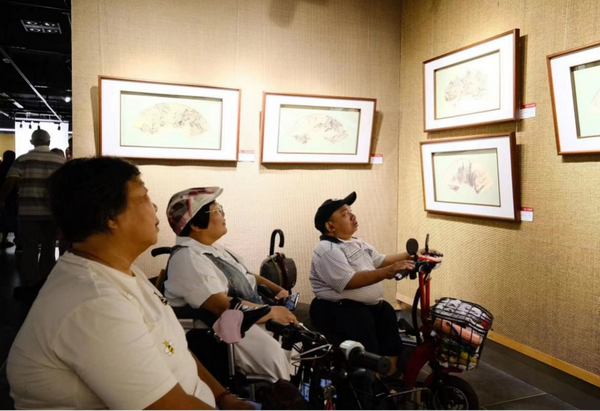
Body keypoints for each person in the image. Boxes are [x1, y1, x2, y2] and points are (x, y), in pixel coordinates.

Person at [6, 157, 252, 410]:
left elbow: (174, 349)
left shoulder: (123, 270)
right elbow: (168, 407)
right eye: (144, 196)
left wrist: (223, 397)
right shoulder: (95, 303)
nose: (154, 206)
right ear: (110, 216)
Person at [164, 187, 297, 380]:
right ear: (195, 225)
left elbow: (246, 274)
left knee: (299, 342)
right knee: (276, 354)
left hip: (248, 318)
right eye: (217, 210)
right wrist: (271, 312)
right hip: (221, 330)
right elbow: (221, 305)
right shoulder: (187, 258)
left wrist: (278, 290)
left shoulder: (215, 249)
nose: (223, 214)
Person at [309, 191, 418, 376]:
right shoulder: (327, 249)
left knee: (386, 311)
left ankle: (387, 375)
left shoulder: (356, 242)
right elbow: (349, 281)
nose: (353, 216)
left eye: (350, 211)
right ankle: (371, 381)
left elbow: (380, 260)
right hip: (333, 308)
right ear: (330, 226)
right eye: (345, 214)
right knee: (362, 320)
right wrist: (389, 271)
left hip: (360, 306)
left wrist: (413, 255)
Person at [0, 130, 65, 299]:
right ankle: (45, 282)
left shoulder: (22, 160)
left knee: (29, 248)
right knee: (49, 247)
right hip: (52, 213)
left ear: (32, 142)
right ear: (49, 142)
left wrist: (1, 200)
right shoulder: (60, 160)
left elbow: (10, 181)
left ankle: (30, 284)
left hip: (27, 212)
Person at [0, 150, 17, 248]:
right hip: (13, 198)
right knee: (14, 219)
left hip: (2, 197)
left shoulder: (1, 168)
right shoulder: (14, 168)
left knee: (3, 219)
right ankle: (18, 241)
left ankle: (3, 239)